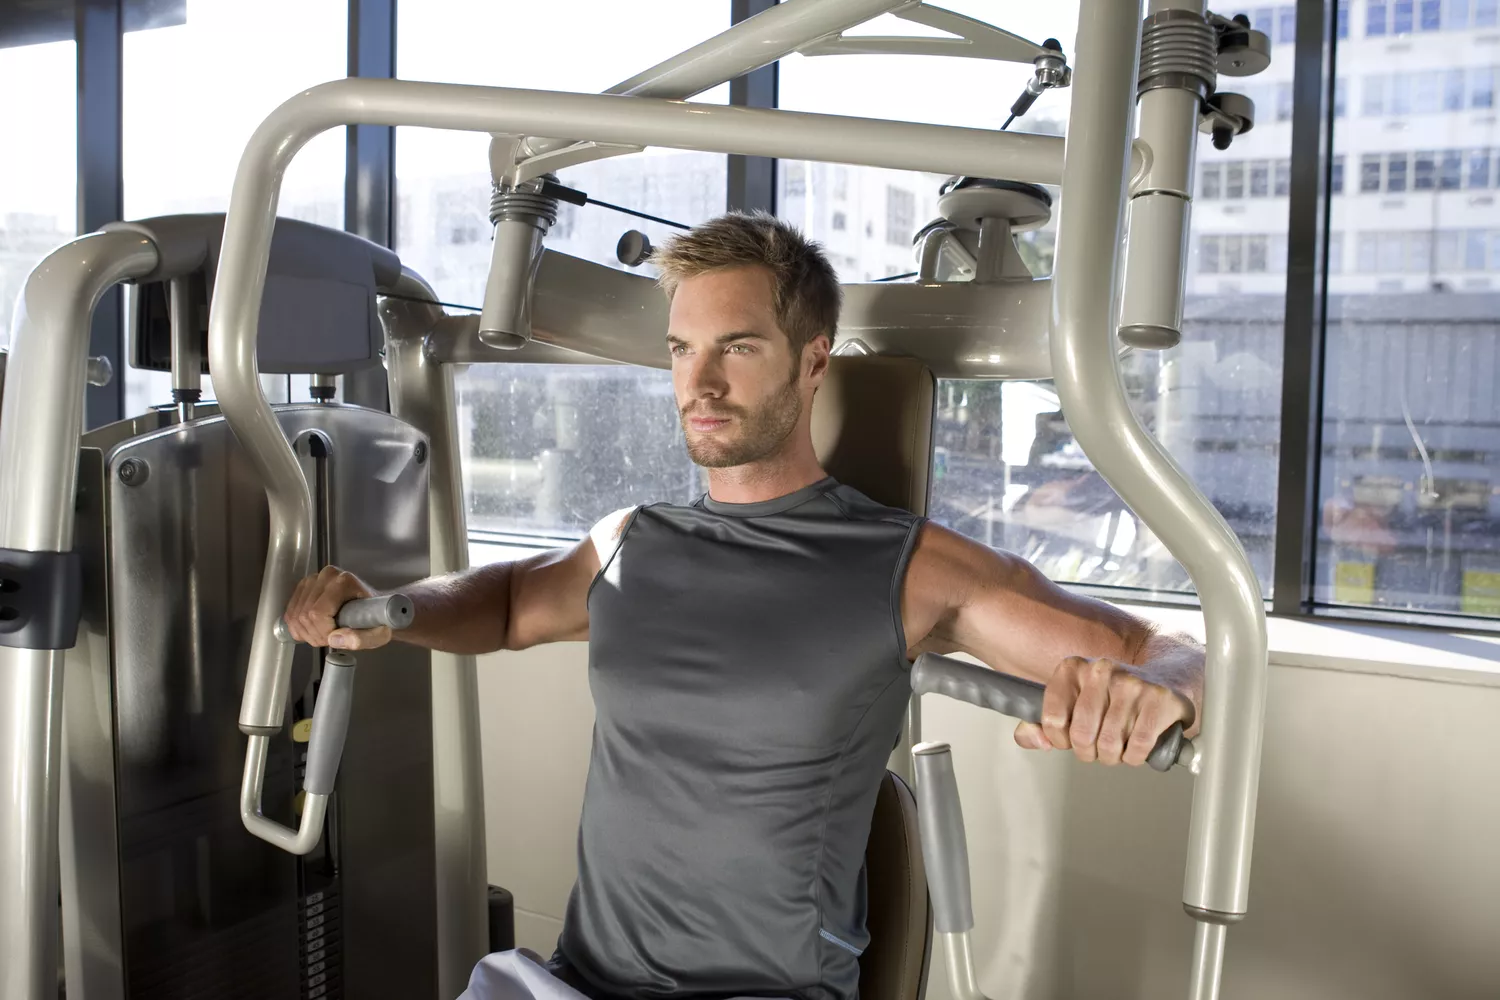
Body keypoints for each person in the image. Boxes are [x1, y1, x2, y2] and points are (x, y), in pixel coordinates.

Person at [283, 212, 1204, 1000]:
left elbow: (1158, 644)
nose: (700, 383)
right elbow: (511, 603)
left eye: (737, 347)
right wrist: (398, 606)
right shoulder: (630, 541)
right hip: (576, 981)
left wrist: (1159, 688)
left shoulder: (909, 564)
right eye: (683, 350)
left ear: (813, 362)